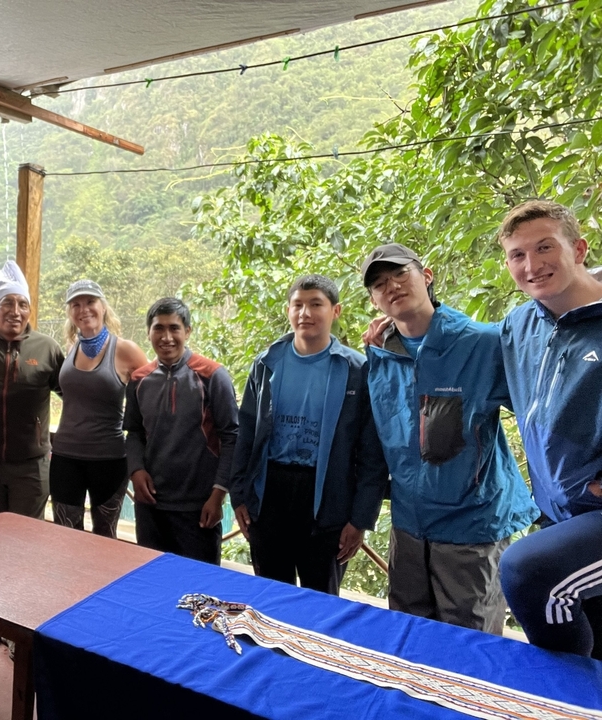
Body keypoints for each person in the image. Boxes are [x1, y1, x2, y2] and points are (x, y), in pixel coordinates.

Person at [361, 243, 538, 634]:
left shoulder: (481, 343)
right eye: (379, 284)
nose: (392, 286)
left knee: (469, 644)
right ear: (374, 301)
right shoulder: (379, 357)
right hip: (409, 528)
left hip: (472, 528)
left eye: (400, 274)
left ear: (426, 276)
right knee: (409, 635)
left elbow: (541, 413)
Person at [229, 275, 388, 595]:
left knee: (321, 598)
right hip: (270, 493)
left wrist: (360, 519)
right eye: (298, 305)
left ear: (335, 311)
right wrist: (239, 494)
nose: (305, 313)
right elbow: (246, 432)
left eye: (316, 304)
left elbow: (372, 451)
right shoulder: (267, 363)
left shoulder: (356, 370)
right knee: (271, 594)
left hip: (329, 498)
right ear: (288, 310)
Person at [496, 200, 602, 658]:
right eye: (517, 255)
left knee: (529, 570)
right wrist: (403, 322)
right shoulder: (520, 326)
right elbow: (459, 349)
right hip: (560, 513)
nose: (531, 265)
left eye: (545, 247)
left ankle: (561, 691)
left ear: (578, 249)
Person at [0, 260, 63, 649]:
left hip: (31, 466)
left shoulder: (46, 348)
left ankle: (21, 628)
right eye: (8, 304)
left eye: (23, 304)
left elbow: (76, 392)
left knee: (26, 546)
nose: (16, 312)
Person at [123, 297, 239, 564]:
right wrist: (136, 470)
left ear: (187, 331)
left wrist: (218, 495)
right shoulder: (139, 379)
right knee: (152, 578)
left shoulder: (212, 376)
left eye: (174, 328)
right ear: (148, 332)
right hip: (151, 505)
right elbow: (134, 433)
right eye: (158, 328)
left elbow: (231, 437)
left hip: (198, 507)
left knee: (199, 583)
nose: (166, 337)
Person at [50, 279, 148, 538]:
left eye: (90, 302)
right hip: (65, 456)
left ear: (103, 307)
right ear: (70, 312)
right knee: (66, 534)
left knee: (105, 536)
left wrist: (144, 455)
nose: (84, 309)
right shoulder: (72, 347)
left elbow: (152, 398)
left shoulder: (126, 350)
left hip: (108, 457)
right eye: (76, 304)